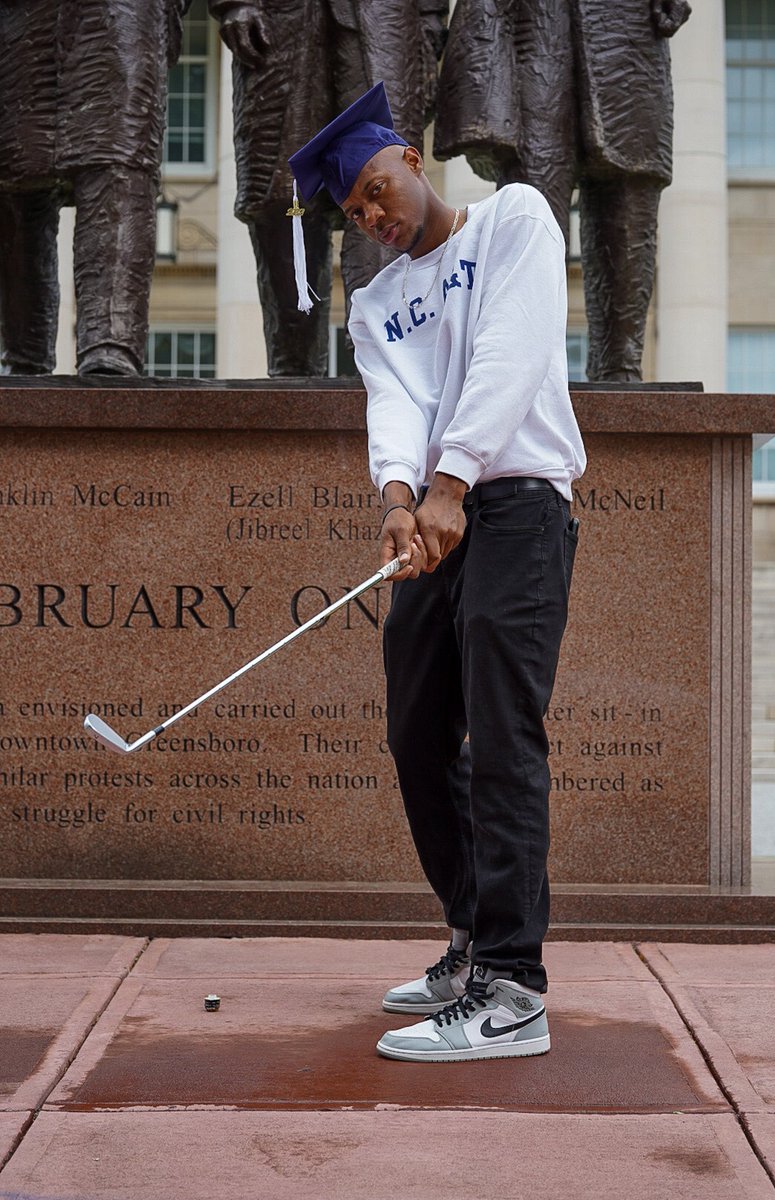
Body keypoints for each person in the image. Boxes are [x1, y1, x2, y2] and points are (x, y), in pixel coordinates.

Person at [289, 82, 585, 1062]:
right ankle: (469, 941)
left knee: (503, 734)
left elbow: (511, 351)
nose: (371, 216)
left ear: (411, 160)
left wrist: (450, 482)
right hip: (435, 515)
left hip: (518, 501)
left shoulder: (513, 220)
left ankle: (514, 987)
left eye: (376, 190)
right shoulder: (377, 302)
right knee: (416, 731)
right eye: (353, 211)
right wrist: (397, 499)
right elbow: (395, 403)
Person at [433, 0, 691, 382]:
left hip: (627, 30)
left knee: (629, 195)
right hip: (533, 26)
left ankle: (620, 367)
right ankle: (526, 369)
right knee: (533, 201)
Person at [210, 0, 447, 376]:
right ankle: (293, 367)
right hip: (280, 18)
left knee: (385, 190)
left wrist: (430, 23)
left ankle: (382, 354)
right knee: (279, 192)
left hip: (383, 18)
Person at [0, 0, 190, 376]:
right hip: (16, 19)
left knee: (120, 162)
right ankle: (24, 353)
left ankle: (111, 342)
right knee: (13, 175)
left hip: (122, 14)